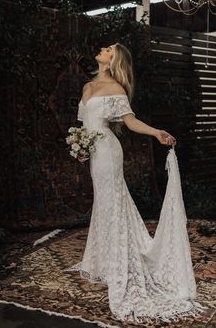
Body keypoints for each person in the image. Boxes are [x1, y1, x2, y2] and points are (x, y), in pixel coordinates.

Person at [66, 42, 205, 323]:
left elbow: (130, 122)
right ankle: (106, 258)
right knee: (103, 203)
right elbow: (85, 125)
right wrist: (80, 146)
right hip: (93, 153)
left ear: (114, 59)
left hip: (107, 151)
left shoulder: (116, 88)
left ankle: (121, 260)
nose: (103, 49)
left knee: (112, 203)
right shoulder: (88, 86)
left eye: (108, 49)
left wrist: (156, 133)